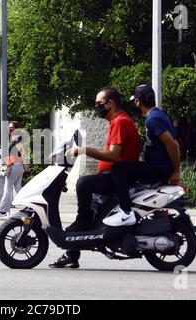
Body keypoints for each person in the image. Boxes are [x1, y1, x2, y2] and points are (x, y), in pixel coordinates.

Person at [49, 86, 140, 268]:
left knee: (83, 183)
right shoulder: (116, 122)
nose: (97, 107)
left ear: (110, 103)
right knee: (89, 207)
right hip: (111, 176)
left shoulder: (120, 122)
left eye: (99, 104)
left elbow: (113, 155)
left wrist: (82, 150)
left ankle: (82, 221)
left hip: (116, 179)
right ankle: (73, 251)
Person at [107, 84, 181, 226]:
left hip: (158, 168)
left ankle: (125, 212)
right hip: (159, 166)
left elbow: (172, 144)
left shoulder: (153, 119)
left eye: (134, 101)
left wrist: (176, 171)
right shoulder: (158, 115)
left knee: (118, 169)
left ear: (138, 102)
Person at [0, 121, 30, 217]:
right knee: (17, 187)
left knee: (7, 188)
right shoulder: (16, 139)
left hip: (15, 167)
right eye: (9, 128)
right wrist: (24, 166)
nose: (10, 129)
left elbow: (23, 153)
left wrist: (25, 165)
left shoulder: (17, 140)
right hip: (18, 166)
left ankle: (2, 210)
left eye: (12, 128)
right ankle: (29, 205)